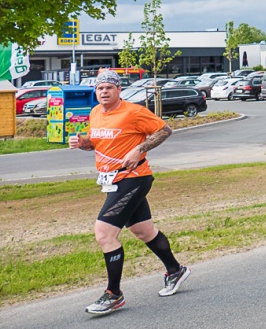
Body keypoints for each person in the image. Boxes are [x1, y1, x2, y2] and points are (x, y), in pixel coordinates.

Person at [69, 71, 190, 315]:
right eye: (100, 88)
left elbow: (165, 130)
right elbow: (97, 143)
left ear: (118, 90)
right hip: (112, 180)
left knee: (104, 233)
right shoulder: (95, 113)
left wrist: (139, 149)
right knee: (143, 230)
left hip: (134, 178)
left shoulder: (133, 112)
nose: (104, 92)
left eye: (109, 88)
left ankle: (114, 294)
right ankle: (176, 270)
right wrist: (83, 144)